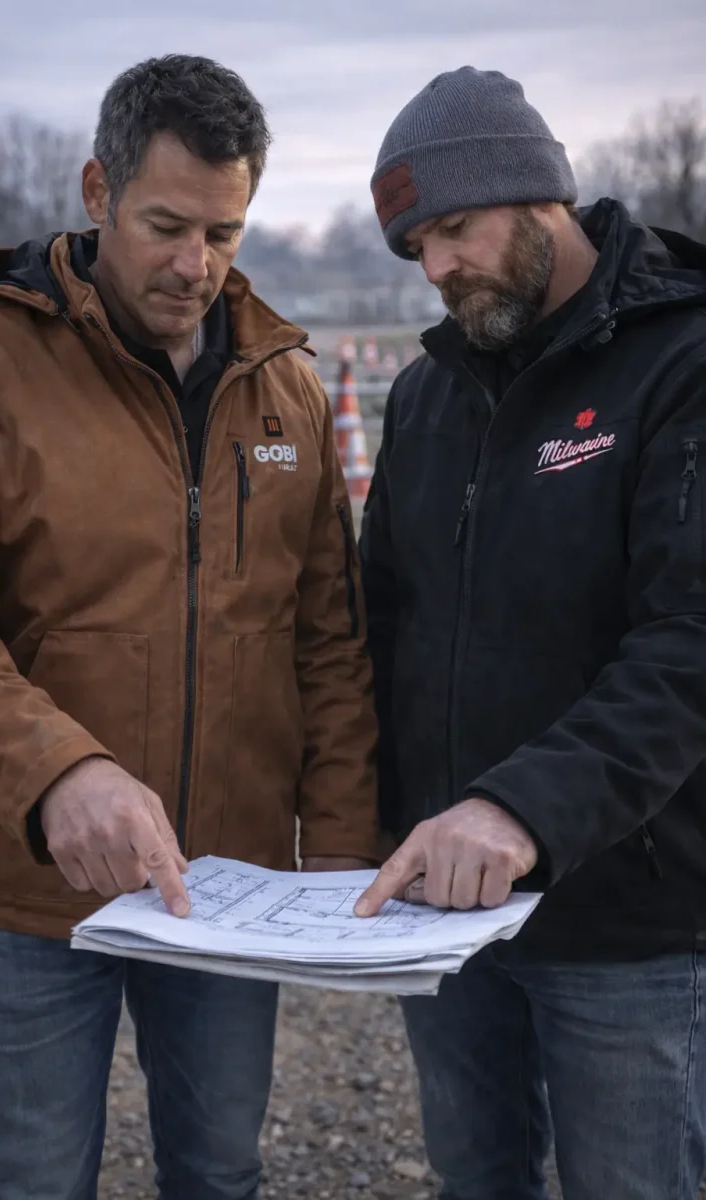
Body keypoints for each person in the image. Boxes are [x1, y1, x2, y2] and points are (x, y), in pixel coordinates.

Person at [0, 55, 379, 1200]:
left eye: (223, 233)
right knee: (26, 1180)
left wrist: (349, 860)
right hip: (27, 881)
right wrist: (58, 774)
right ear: (95, 191)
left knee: (221, 1173)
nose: (195, 266)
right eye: (166, 225)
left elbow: (325, 636)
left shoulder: (289, 391)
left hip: (226, 886)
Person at [355, 66, 706, 1199]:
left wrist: (518, 808)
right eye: (416, 248)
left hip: (628, 915)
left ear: (539, 192)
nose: (438, 266)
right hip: (440, 915)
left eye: (454, 228)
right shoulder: (424, 395)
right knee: (474, 1180)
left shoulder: (679, 362)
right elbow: (380, 624)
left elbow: (687, 641)